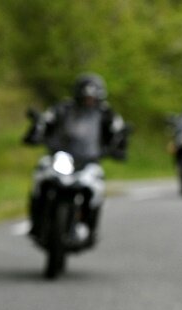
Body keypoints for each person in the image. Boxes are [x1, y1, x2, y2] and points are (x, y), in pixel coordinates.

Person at [23, 72, 128, 245]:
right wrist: (36, 131)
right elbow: (45, 121)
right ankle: (36, 221)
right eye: (85, 97)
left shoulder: (106, 114)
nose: (88, 100)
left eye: (92, 97)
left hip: (89, 160)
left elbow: (118, 132)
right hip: (61, 157)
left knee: (97, 188)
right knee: (39, 178)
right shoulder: (63, 108)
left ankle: (90, 228)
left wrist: (119, 146)